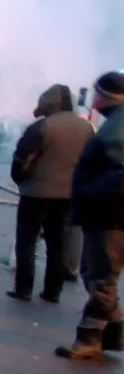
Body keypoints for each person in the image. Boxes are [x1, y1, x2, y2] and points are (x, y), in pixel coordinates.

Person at [55, 71, 124, 359]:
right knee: (97, 273)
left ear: (107, 96)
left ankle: (89, 339)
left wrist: (90, 193)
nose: (92, 100)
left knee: (100, 275)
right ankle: (114, 333)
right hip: (107, 214)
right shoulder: (115, 124)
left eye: (96, 93)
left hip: (109, 216)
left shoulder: (118, 129)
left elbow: (119, 175)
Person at [6, 85, 93, 303]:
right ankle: (53, 291)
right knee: (57, 243)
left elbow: (21, 161)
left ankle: (24, 289)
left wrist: (22, 182)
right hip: (67, 196)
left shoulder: (41, 127)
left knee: (27, 242)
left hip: (36, 193)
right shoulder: (87, 128)